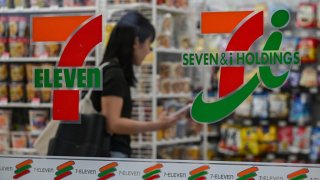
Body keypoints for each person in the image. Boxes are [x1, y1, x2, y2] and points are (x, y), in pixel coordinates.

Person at [90, 11, 180, 158]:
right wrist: (157, 125)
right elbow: (113, 123)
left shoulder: (107, 68)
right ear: (136, 42)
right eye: (148, 44)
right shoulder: (114, 74)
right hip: (110, 154)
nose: (148, 51)